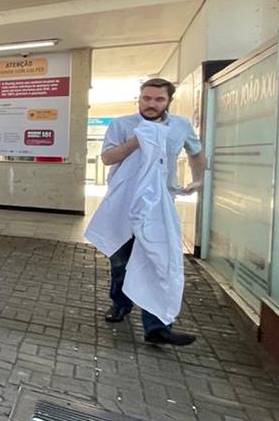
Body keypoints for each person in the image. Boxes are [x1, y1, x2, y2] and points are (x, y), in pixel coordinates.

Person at [88, 77, 205, 346]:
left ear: (168, 102)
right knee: (121, 260)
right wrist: (137, 142)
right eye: (146, 99)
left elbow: (196, 153)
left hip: (160, 206)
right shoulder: (123, 125)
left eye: (158, 100)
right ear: (139, 99)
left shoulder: (180, 127)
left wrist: (199, 179)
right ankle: (120, 305)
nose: (151, 104)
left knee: (159, 261)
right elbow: (107, 158)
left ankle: (158, 327)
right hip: (124, 206)